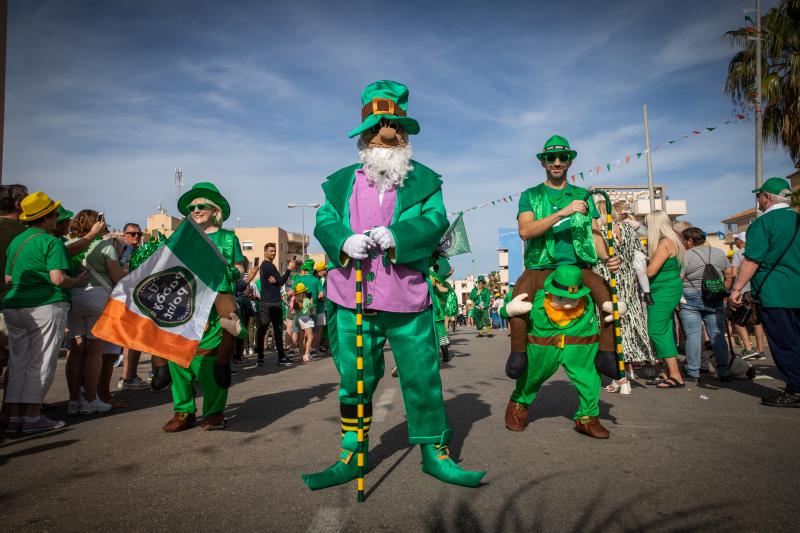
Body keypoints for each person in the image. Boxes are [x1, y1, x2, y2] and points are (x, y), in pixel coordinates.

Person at [303, 80, 485, 491]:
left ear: (404, 135)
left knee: (422, 377)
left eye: (395, 128)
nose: (387, 137)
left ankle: (434, 452)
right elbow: (325, 221)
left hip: (406, 297)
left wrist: (399, 235)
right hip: (352, 297)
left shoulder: (425, 181)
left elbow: (436, 220)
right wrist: (342, 240)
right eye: (378, 129)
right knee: (355, 379)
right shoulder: (340, 181)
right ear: (365, 136)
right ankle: (352, 452)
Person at [508, 135, 622, 396]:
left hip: (579, 270)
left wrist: (607, 257)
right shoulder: (531, 195)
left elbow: (594, 234)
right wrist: (562, 212)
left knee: (608, 303)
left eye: (562, 157)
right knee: (520, 311)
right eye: (551, 158)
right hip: (541, 269)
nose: (557, 162)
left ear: (570, 161)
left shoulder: (584, 195)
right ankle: (518, 360)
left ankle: (604, 361)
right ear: (543, 163)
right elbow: (525, 231)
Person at [161, 181, 245, 431]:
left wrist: (230, 271)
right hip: (183, 304)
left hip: (215, 306)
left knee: (210, 361)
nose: (196, 210)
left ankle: (214, 412)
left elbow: (240, 270)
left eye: (202, 206)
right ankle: (184, 411)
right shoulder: (181, 238)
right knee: (177, 358)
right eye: (192, 207)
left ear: (214, 211)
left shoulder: (228, 239)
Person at [3, 191, 87, 433]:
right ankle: (32, 417)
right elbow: (59, 279)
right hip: (46, 304)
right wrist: (77, 280)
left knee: (18, 363)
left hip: (15, 305)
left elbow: (9, 277)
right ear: (48, 217)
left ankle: (15, 418)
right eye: (54, 214)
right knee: (41, 362)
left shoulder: (17, 242)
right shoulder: (51, 242)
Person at [503, 265, 608, 438]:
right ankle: (518, 404)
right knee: (531, 375)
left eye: (572, 298)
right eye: (562, 297)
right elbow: (510, 306)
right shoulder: (538, 293)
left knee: (588, 376)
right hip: (543, 336)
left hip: (579, 333)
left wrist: (608, 259)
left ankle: (588, 417)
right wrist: (507, 309)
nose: (567, 304)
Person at [731, 177, 800, 407]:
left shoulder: (763, 223)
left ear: (767, 197)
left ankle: (796, 389)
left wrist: (737, 288)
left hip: (776, 292)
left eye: (759, 195)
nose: (758, 199)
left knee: (784, 342)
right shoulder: (797, 219)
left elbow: (752, 260)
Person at [65, 210, 125, 414]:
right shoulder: (105, 246)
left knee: (75, 351)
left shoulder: (68, 244)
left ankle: (74, 400)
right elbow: (117, 277)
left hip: (74, 296)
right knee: (94, 351)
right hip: (97, 297)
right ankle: (91, 399)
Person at [593, 200, 654, 394]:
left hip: (607, 282)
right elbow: (639, 262)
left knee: (610, 329)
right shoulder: (628, 231)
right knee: (626, 328)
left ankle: (620, 378)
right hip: (628, 283)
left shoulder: (598, 234)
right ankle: (626, 373)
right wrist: (645, 289)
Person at [679, 227, 733, 382]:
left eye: (684, 240)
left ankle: (693, 371)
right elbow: (729, 274)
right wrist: (724, 291)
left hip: (690, 298)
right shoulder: (718, 253)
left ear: (690, 240)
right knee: (717, 334)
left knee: (693, 335)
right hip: (715, 297)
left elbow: (679, 278)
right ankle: (723, 370)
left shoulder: (685, 256)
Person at [644, 210, 686, 388]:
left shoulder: (664, 243)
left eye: (647, 225)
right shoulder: (674, 241)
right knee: (666, 330)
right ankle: (669, 371)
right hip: (667, 289)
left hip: (664, 290)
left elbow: (650, 271)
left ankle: (675, 375)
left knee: (656, 330)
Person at [0, 184, 29, 427]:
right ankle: (12, 413)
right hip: (13, 302)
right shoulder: (25, 234)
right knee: (18, 361)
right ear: (20, 205)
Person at [115, 222, 149, 390]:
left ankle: (129, 376)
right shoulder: (125, 251)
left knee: (133, 341)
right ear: (124, 235)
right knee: (132, 341)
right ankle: (128, 377)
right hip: (127, 299)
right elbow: (123, 272)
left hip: (133, 299)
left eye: (139, 234)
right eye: (132, 233)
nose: (136, 237)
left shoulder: (136, 251)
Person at [256, 243, 298, 366]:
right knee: (277, 330)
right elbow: (281, 281)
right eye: (271, 251)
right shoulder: (269, 265)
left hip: (266, 303)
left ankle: (260, 358)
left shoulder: (265, 266)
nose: (273, 253)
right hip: (272, 303)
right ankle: (281, 357)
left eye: (274, 251)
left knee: (263, 330)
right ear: (265, 252)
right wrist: (289, 269)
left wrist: (277, 281)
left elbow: (278, 281)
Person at [729, 232, 767, 360]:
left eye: (737, 240)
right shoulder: (759, 250)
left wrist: (734, 288)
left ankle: (748, 347)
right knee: (757, 321)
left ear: (741, 241)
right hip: (755, 290)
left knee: (737, 319)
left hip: (743, 291)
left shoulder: (739, 253)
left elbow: (734, 273)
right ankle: (761, 350)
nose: (736, 242)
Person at [294, 259, 323, 354]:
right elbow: (322, 295)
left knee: (301, 333)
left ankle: (302, 353)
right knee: (314, 331)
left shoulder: (297, 280)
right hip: (313, 307)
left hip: (298, 310)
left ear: (304, 270)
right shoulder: (316, 280)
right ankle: (313, 350)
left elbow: (289, 293)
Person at [291, 282, 315, 364]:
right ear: (304, 292)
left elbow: (294, 310)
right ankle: (306, 354)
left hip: (297, 319)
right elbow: (310, 310)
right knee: (310, 336)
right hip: (305, 318)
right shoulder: (306, 300)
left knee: (301, 338)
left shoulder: (295, 300)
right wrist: (311, 303)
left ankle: (301, 355)